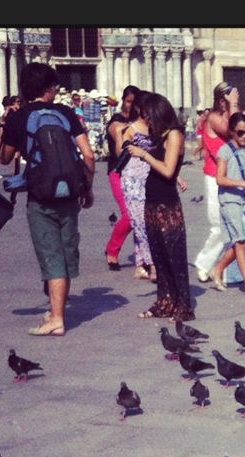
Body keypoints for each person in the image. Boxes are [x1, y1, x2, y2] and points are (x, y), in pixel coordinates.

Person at [0, 60, 95, 337]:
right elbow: (88, 155)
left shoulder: (20, 116)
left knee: (51, 256)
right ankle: (58, 307)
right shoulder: (65, 112)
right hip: (70, 193)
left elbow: (5, 158)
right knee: (65, 253)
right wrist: (87, 188)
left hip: (40, 195)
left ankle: (56, 318)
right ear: (49, 87)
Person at [123, 92, 193, 322]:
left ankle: (182, 305)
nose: (148, 122)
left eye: (149, 117)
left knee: (174, 257)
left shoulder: (174, 134)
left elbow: (167, 170)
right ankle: (165, 301)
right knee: (159, 258)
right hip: (152, 201)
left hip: (167, 205)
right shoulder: (160, 136)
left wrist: (144, 155)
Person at [209, 112, 245, 299]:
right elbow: (220, 178)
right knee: (240, 241)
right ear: (232, 132)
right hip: (229, 200)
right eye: (240, 132)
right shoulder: (225, 151)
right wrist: (244, 184)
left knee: (240, 243)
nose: (244, 136)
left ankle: (217, 269)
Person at [192, 82, 238, 285]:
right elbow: (233, 131)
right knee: (218, 226)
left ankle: (228, 271)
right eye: (230, 98)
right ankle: (203, 264)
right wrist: (234, 105)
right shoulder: (212, 117)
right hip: (214, 177)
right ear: (222, 100)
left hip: (231, 176)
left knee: (234, 224)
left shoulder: (226, 115)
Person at [116, 93, 157, 282]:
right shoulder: (130, 128)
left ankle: (141, 265)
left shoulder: (154, 128)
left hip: (150, 176)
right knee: (140, 221)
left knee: (147, 220)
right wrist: (118, 135)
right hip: (132, 177)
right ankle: (153, 264)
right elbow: (120, 153)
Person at [103, 86, 140, 269]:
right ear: (123, 100)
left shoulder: (140, 121)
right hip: (118, 171)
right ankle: (112, 250)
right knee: (129, 214)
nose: (131, 105)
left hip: (138, 172)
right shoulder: (116, 122)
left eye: (135, 102)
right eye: (129, 101)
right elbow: (119, 148)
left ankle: (142, 254)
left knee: (141, 213)